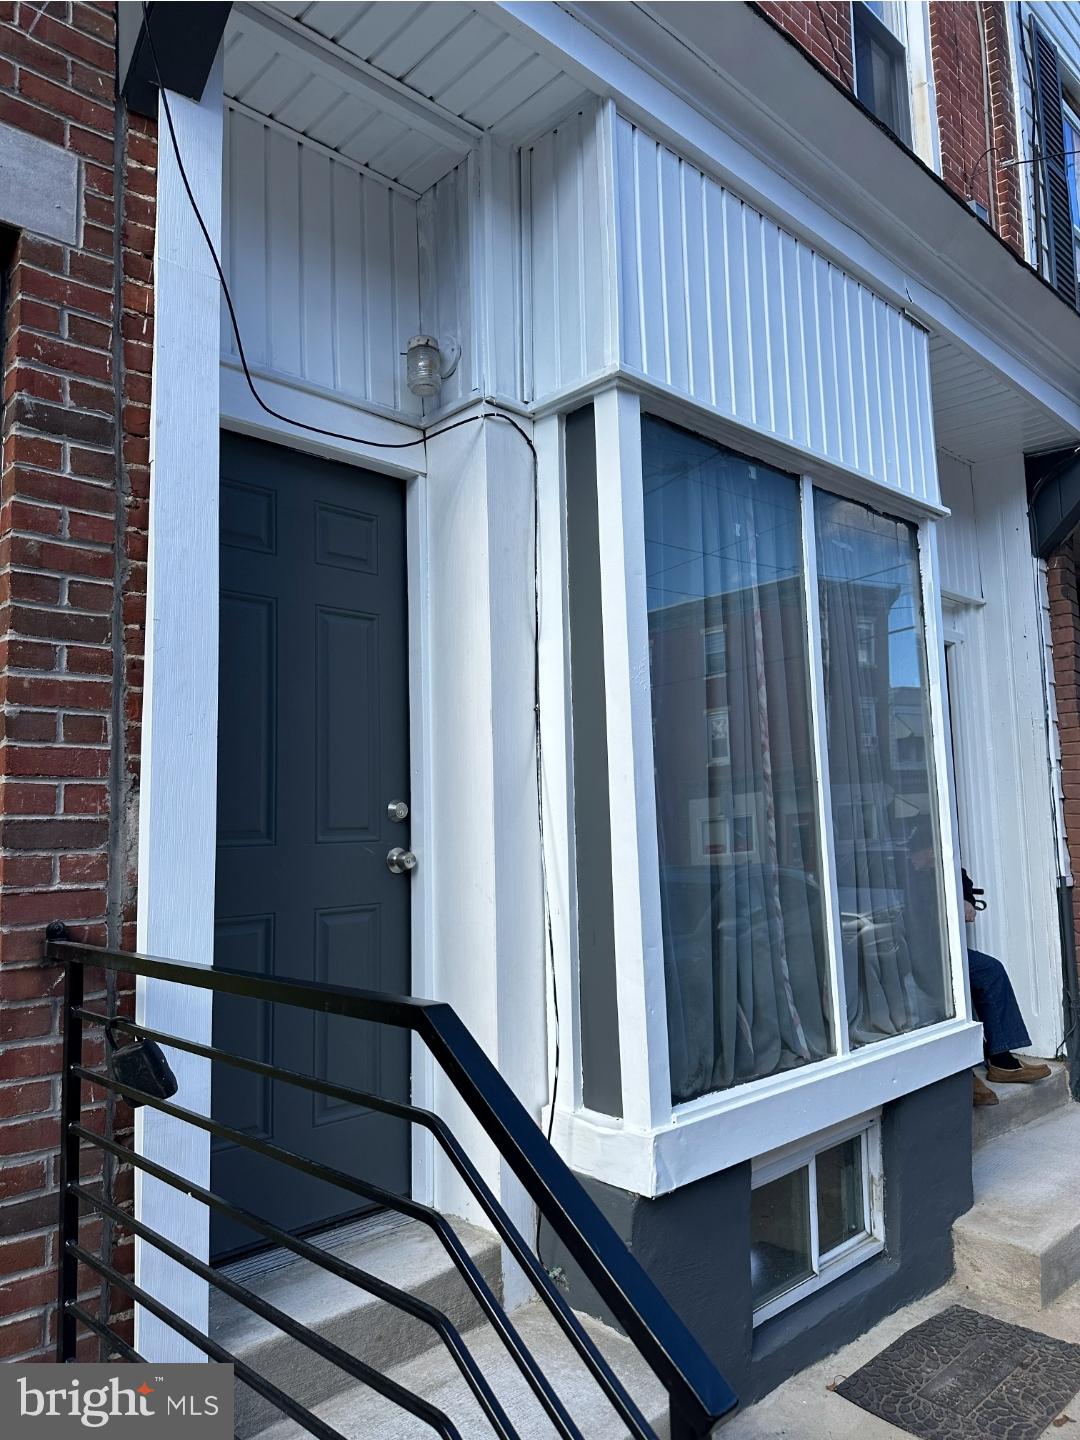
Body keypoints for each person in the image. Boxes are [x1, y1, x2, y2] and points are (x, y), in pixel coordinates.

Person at [961, 868, 1051, 1107]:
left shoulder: (942, 851)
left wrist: (967, 898)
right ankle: (960, 1075)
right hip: (910, 946)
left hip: (942, 941)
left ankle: (1001, 1060)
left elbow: (961, 875)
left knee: (990, 970)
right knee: (944, 992)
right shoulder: (897, 858)